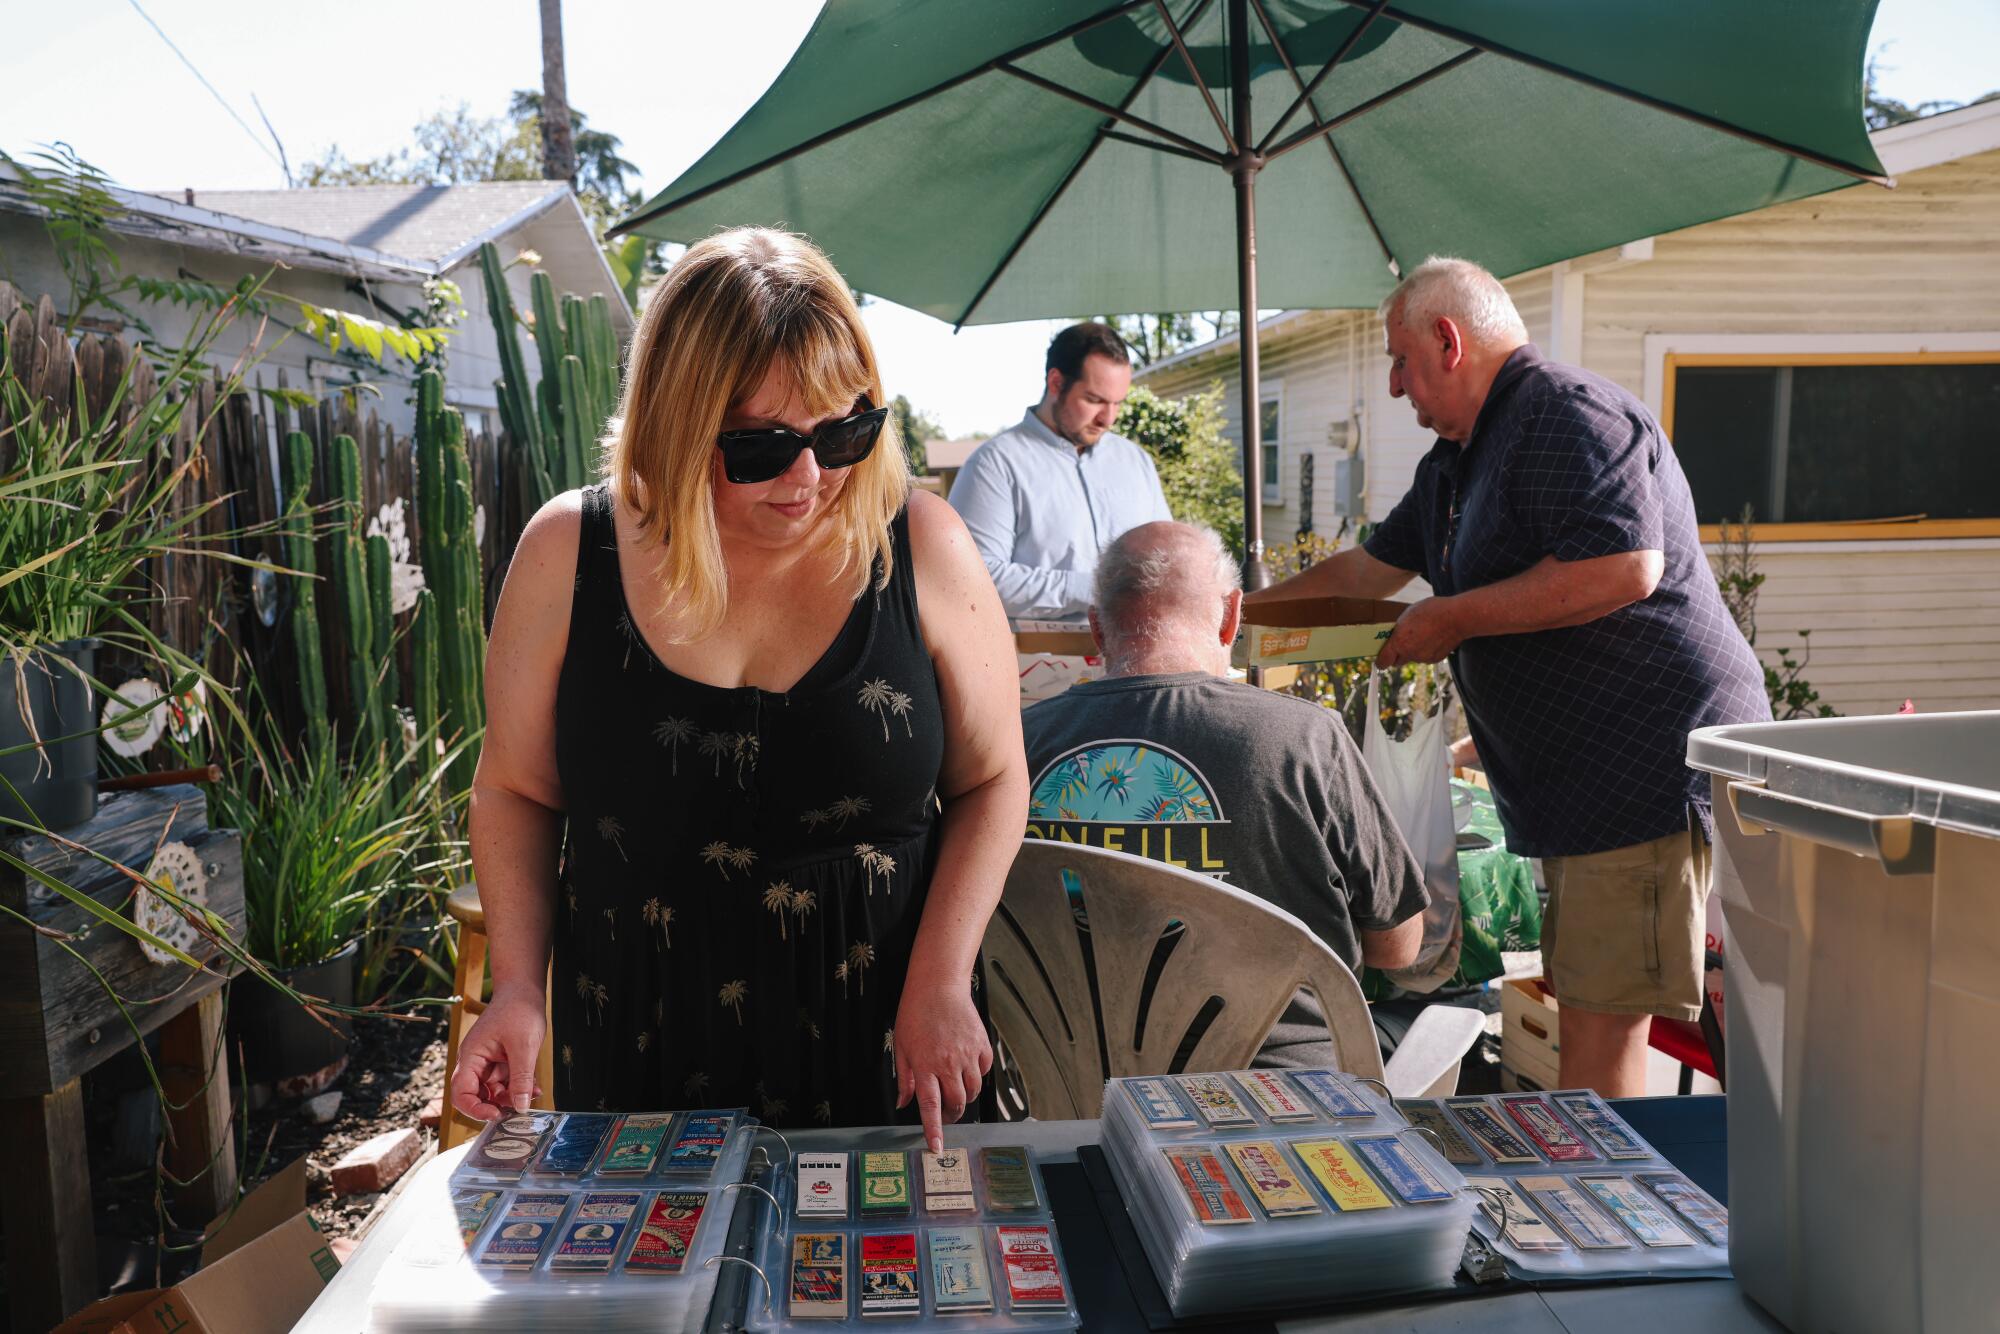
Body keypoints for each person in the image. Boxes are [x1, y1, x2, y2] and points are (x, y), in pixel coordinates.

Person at [450, 227, 1028, 1151]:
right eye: (761, 448)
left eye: (845, 432)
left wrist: (942, 979)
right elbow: (516, 787)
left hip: (888, 1036)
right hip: (635, 1042)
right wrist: (518, 988)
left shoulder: (923, 544)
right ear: (676, 426)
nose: (811, 478)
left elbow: (994, 779)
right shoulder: (570, 553)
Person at [1257, 256, 1769, 1096]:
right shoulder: (1457, 459)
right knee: (1591, 1016)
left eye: (1400, 359)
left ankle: (1604, 1217)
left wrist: (1449, 617)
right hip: (1582, 790)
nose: (1393, 386)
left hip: (1638, 773)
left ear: (1449, 341)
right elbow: (1365, 574)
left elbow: (1624, 568)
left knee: (1600, 1043)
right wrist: (1239, 614)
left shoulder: (1562, 414)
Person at [1018, 520, 1429, 1067]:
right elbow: (1397, 948)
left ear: (1097, 629)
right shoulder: (1305, 739)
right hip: (1281, 1097)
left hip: (1075, 1088)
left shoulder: (1020, 744)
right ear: (1233, 615)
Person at [947, 322, 1172, 620]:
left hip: (1141, 658)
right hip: (1038, 662)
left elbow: (1167, 555)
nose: (1109, 418)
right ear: (1056, 383)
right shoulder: (994, 465)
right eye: (1095, 400)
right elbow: (972, 581)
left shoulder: (1136, 461)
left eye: (1118, 403)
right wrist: (1094, 586)